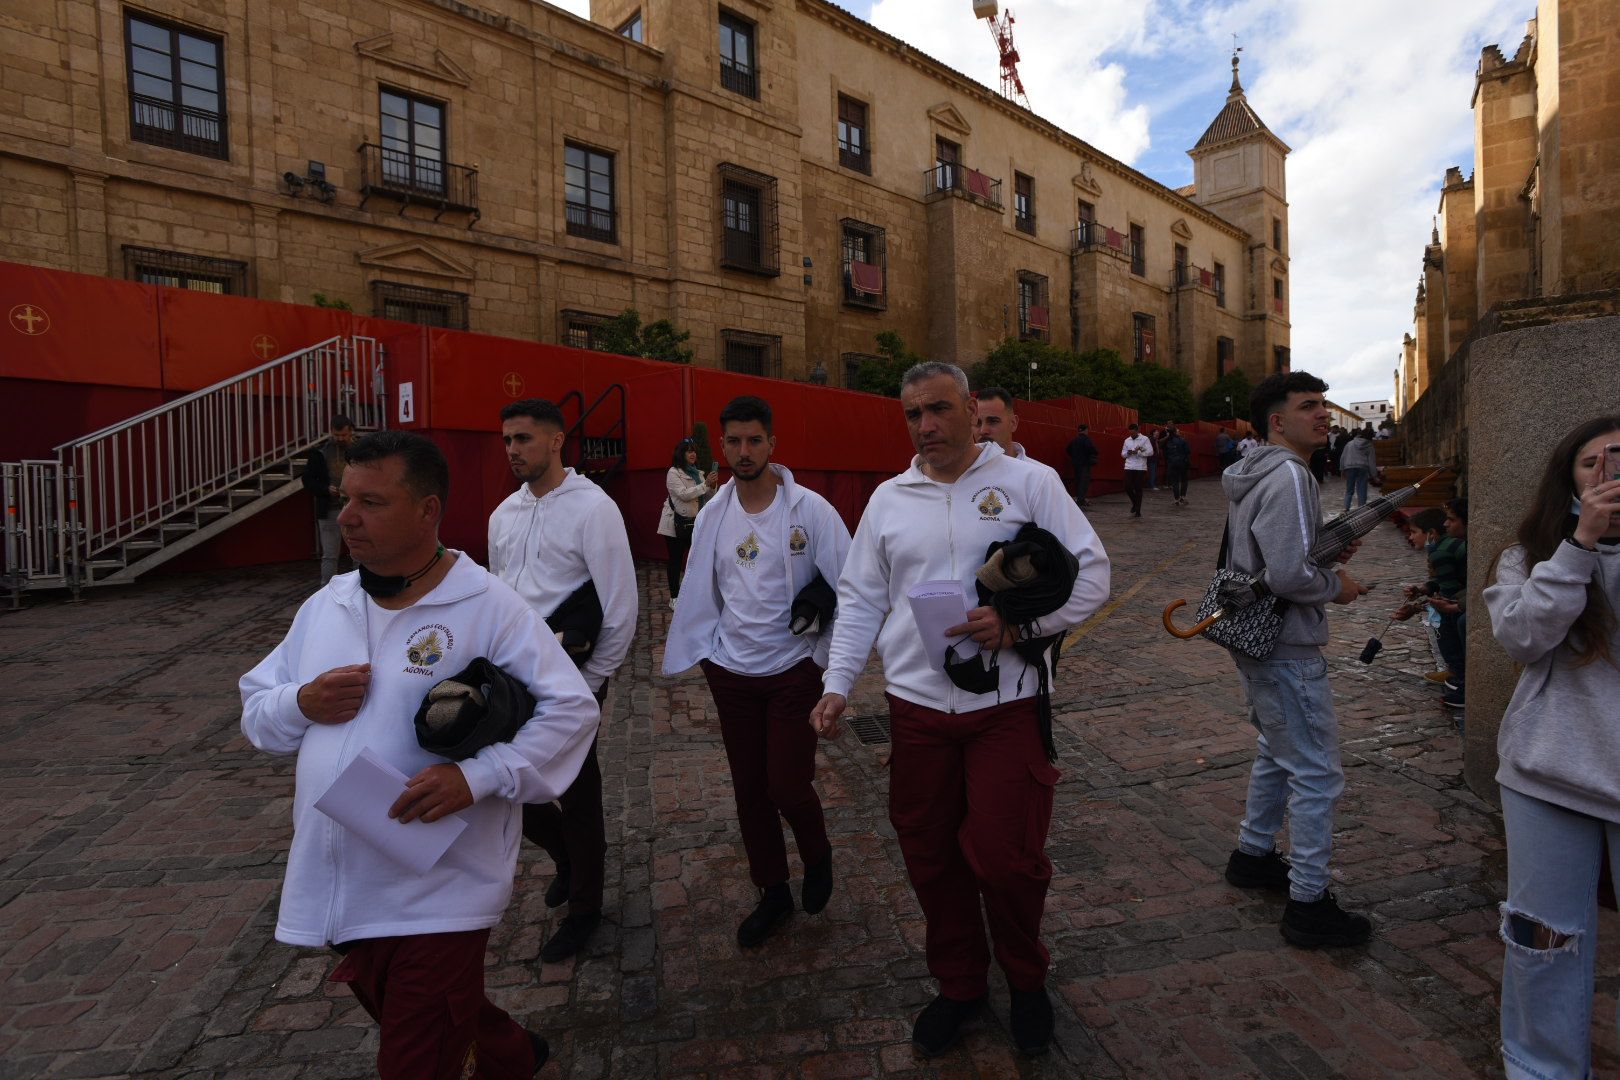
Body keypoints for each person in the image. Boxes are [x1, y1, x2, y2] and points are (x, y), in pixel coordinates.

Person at [240, 431, 599, 1078]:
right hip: (344, 882)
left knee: (414, 1057)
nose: (345, 516)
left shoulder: (488, 606)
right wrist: (301, 703)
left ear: (428, 510)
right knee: (430, 1014)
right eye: (345, 498)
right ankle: (512, 1054)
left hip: (440, 885)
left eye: (371, 502)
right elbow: (257, 710)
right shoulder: (327, 606)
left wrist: (479, 775)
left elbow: (573, 710)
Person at [810, 362, 1109, 1059]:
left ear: (971, 408)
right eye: (913, 415)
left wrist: (1018, 629)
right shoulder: (889, 499)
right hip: (916, 706)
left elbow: (1092, 572)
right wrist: (836, 683)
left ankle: (1027, 981)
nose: (927, 427)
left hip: (1007, 704)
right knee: (931, 856)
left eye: (940, 409)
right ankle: (960, 985)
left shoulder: (1027, 483)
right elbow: (859, 599)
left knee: (1006, 859)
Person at [663, 395, 852, 948]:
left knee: (787, 783)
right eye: (734, 442)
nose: (744, 451)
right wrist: (707, 653)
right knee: (750, 791)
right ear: (722, 447)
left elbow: (852, 584)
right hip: (731, 672)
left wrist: (832, 667)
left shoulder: (810, 510)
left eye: (754, 440)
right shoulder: (712, 516)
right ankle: (772, 891)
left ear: (772, 443)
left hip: (793, 668)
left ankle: (817, 855)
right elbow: (702, 588)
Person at [1484, 415, 1620, 1080]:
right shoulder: (1529, 555)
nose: (1608, 475)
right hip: (1549, 774)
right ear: (1567, 482)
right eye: (1592, 463)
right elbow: (1520, 637)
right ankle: (1541, 1068)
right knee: (1543, 940)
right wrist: (1580, 546)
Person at [1219, 371, 1372, 949]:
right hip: (1285, 641)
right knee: (1316, 771)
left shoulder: (1255, 470)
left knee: (1277, 749)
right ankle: (1309, 902)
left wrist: (1324, 546)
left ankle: (1253, 854)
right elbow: (1285, 574)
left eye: (1325, 405)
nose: (1324, 415)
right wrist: (1337, 584)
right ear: (1277, 422)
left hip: (1256, 637)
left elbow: (1266, 553)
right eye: (1310, 406)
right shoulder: (1288, 475)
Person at [488, 398, 638, 962]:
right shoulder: (503, 514)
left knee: (578, 792)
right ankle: (569, 860)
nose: (512, 450)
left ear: (556, 441)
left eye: (523, 439)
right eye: (507, 440)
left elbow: (622, 604)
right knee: (506, 786)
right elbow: (498, 598)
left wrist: (592, 681)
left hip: (572, 674)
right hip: (510, 678)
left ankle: (585, 909)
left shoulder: (594, 509)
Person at [657, 437, 719, 606]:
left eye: (694, 451)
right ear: (681, 453)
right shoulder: (673, 472)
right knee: (675, 560)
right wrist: (705, 485)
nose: (693, 454)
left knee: (697, 560)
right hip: (675, 523)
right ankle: (674, 597)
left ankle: (695, 594)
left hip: (695, 523)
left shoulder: (698, 473)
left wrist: (712, 485)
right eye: (689, 451)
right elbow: (683, 494)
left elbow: (708, 497)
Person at [301, 414, 355, 585]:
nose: (340, 438)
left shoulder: (360, 450)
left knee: (360, 553)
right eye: (337, 435)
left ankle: (362, 590)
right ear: (331, 431)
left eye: (344, 435)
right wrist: (325, 489)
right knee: (330, 555)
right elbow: (307, 481)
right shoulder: (319, 452)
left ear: (350, 432)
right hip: (329, 509)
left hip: (355, 509)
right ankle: (327, 596)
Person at [973, 387, 1061, 484]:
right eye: (977, 422)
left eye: (993, 421)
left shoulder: (1043, 478)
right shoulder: (960, 475)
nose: (983, 430)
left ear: (1013, 423)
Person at [1120, 422, 1153, 518]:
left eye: (1133, 433)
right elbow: (1123, 454)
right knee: (1127, 486)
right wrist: (1128, 453)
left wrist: (1138, 452)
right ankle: (1135, 503)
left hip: (1140, 467)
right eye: (1130, 433)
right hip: (1129, 466)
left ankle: (1138, 509)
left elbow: (1150, 452)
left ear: (1137, 431)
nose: (1132, 435)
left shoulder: (1145, 439)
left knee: (1138, 488)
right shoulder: (1127, 440)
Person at [1339, 428, 1376, 511]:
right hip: (1363, 467)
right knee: (1362, 488)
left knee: (1349, 489)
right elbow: (1371, 461)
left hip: (1349, 466)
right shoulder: (1369, 445)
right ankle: (1361, 508)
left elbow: (1343, 456)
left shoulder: (1350, 444)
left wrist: (1342, 469)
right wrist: (1374, 475)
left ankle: (1346, 508)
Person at [1065, 423, 1098, 507]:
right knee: (1084, 482)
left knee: (1078, 481)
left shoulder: (1074, 440)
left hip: (1076, 464)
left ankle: (1078, 498)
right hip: (1085, 464)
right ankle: (1081, 500)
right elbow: (1092, 449)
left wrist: (1074, 457)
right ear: (1086, 430)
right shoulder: (1087, 440)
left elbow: (1068, 449)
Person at [1162, 424, 1192, 506]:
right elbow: (1188, 451)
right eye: (1178, 431)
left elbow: (1163, 450)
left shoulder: (1167, 441)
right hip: (1182, 462)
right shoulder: (1182, 440)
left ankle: (1176, 499)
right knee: (1184, 480)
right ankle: (1182, 497)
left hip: (1172, 463)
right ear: (1175, 432)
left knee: (1175, 482)